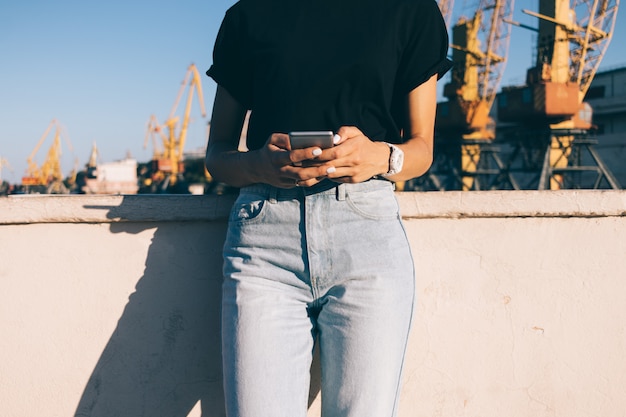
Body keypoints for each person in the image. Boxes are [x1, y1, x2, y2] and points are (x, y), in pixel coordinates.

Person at [205, 0, 451, 416]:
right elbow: (217, 155)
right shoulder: (248, 15)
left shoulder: (412, 11)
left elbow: (423, 149)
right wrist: (258, 163)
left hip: (366, 240)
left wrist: (379, 157)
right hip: (263, 245)